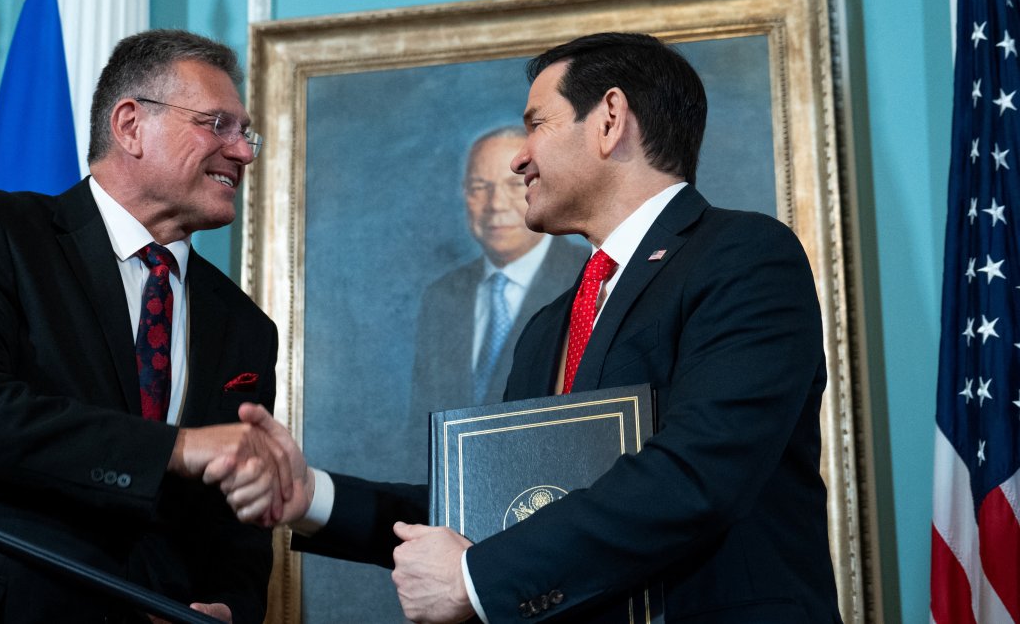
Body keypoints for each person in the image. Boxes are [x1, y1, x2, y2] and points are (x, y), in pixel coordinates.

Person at [250, 32, 842, 623]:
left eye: (537, 123)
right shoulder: (548, 327)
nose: (519, 157)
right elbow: (496, 506)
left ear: (610, 119)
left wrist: (476, 578)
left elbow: (699, 472)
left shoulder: (743, 255)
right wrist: (315, 498)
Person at [0, 29, 290, 624]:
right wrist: (177, 448)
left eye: (247, 135)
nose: (242, 152)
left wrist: (229, 611)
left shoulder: (246, 328)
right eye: (217, 124)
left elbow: (236, 528)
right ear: (131, 124)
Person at [407, 126, 588, 476]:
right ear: (464, 195)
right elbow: (420, 431)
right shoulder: (442, 295)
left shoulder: (584, 277)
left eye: (510, 184)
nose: (495, 204)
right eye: (480, 188)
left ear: (536, 185)